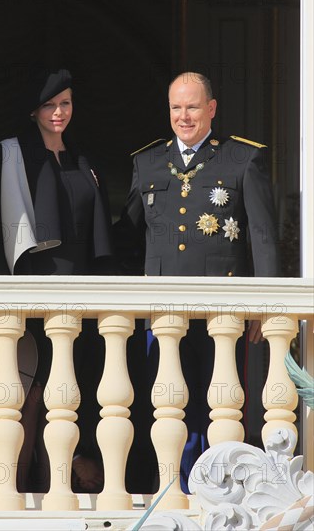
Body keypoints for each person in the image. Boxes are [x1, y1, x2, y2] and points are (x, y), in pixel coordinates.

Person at [116, 71, 281, 493]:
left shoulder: (243, 159)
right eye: (176, 107)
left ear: (211, 109)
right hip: (163, 313)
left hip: (221, 311)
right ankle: (176, 489)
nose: (183, 116)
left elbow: (262, 236)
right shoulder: (147, 162)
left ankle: (222, 492)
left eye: (192, 106)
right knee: (169, 404)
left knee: (222, 404)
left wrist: (264, 304)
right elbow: (128, 240)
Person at [0, 67, 114, 492]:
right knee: (39, 389)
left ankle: (58, 483)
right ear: (33, 110)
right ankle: (22, 487)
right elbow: (2, 229)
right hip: (37, 285)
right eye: (49, 105)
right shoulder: (14, 156)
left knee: (74, 388)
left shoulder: (83, 159)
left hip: (83, 289)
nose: (58, 112)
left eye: (65, 103)